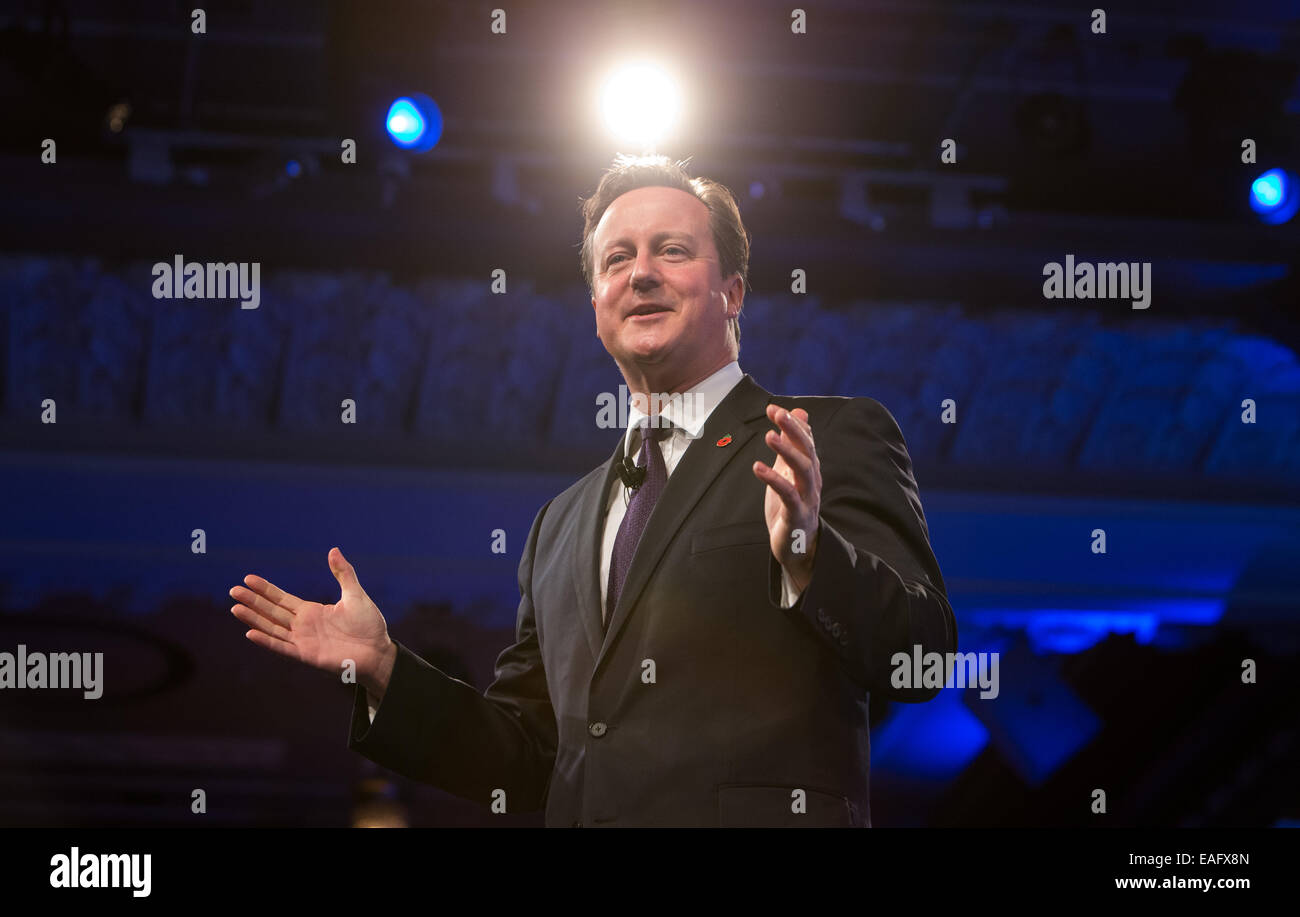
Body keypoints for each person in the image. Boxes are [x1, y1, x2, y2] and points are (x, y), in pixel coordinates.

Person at [229, 153, 956, 827]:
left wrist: (808, 554)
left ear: (733, 291)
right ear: (597, 304)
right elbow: (522, 759)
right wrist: (387, 670)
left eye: (672, 250)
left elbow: (920, 657)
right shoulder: (560, 525)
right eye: (618, 258)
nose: (641, 274)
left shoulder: (824, 436)